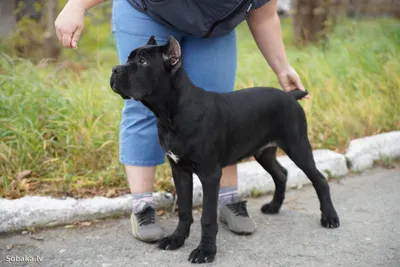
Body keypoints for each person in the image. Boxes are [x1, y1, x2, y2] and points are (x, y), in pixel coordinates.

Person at [55, 0, 307, 243]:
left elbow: (263, 15)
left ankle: (228, 199)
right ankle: (143, 206)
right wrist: (78, 4)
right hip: (148, 10)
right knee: (141, 105)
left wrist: (282, 67)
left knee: (217, 109)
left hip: (212, 25)